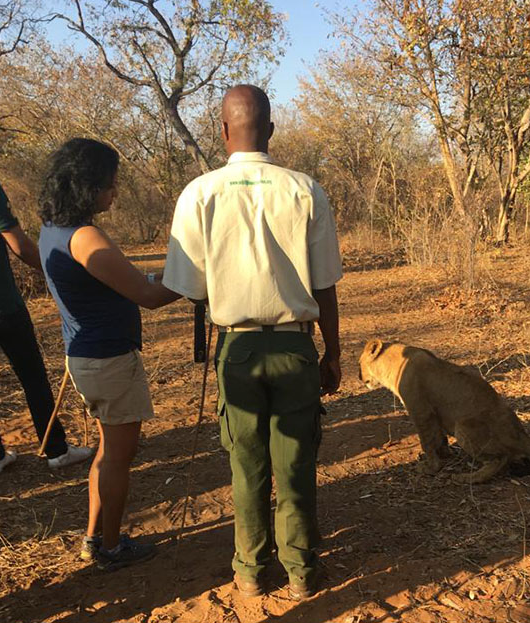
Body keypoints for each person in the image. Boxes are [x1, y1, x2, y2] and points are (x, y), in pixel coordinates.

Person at [163, 85, 342, 600]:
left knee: (247, 463)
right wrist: (332, 352)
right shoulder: (305, 189)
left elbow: (190, 287)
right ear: (271, 128)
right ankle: (303, 570)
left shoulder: (200, 193)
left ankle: (248, 569)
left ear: (222, 132)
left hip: (236, 350)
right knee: (296, 462)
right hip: (295, 347)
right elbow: (325, 283)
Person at [38, 138, 180, 570]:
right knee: (119, 456)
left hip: (86, 356)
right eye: (110, 185)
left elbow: (125, 279)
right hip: (108, 360)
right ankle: (112, 548)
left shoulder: (53, 231)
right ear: (87, 186)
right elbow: (147, 296)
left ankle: (93, 536)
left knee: (106, 452)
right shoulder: (85, 237)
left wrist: (157, 275)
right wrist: (197, 281)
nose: (114, 193)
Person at [0, 173, 93, 476]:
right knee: (33, 377)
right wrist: (56, 272)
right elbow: (19, 245)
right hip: (0, 304)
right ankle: (56, 450)